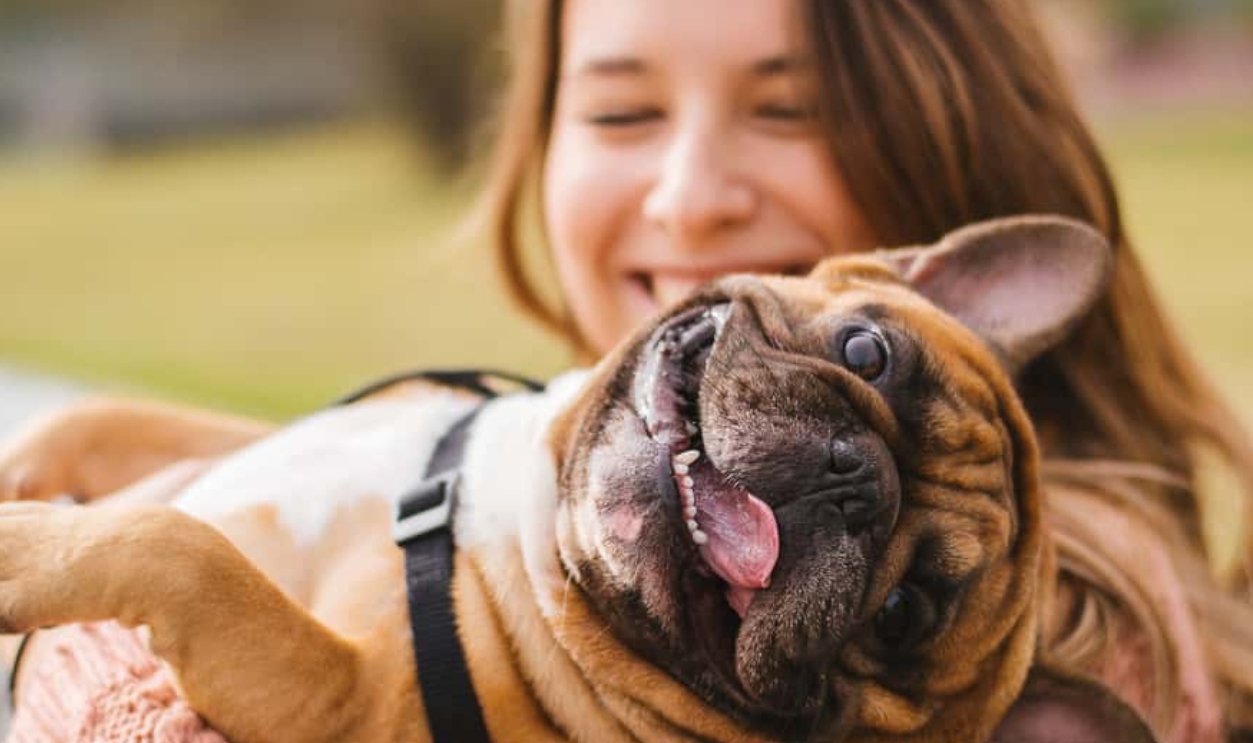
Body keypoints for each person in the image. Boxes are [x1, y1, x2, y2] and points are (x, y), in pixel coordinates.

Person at [4, 1, 1252, 741]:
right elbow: (341, 496)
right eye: (618, 114)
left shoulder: (1095, 624)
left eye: (786, 110)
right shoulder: (549, 462)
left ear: (954, 142)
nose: (688, 197)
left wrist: (98, 603)